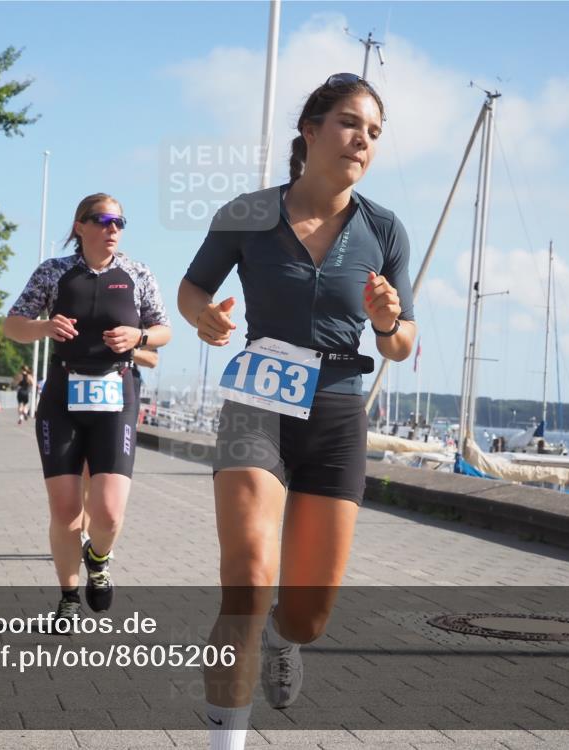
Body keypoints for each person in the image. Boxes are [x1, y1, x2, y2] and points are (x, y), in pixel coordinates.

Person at [177, 73, 417, 749]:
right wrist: (207, 320)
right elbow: (193, 289)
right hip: (259, 398)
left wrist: (389, 321)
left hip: (338, 414)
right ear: (310, 131)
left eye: (373, 132)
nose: (361, 140)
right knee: (249, 580)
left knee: (307, 614)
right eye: (349, 123)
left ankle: (286, 642)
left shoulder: (384, 230)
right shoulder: (248, 213)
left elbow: (402, 343)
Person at [3, 193, 171, 623]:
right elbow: (13, 324)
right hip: (63, 395)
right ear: (80, 226)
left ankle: (98, 558)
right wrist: (44, 325)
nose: (113, 228)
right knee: (64, 510)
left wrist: (139, 338)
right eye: (103, 220)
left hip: (117, 394)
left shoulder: (136, 272)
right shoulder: (54, 272)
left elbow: (163, 329)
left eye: (119, 221)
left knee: (109, 513)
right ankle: (68, 596)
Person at [80, 346, 160, 543]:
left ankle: (99, 535)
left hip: (123, 395)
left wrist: (125, 349)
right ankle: (84, 532)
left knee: (108, 474)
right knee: (86, 470)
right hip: (86, 387)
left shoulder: (139, 319)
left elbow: (152, 359)